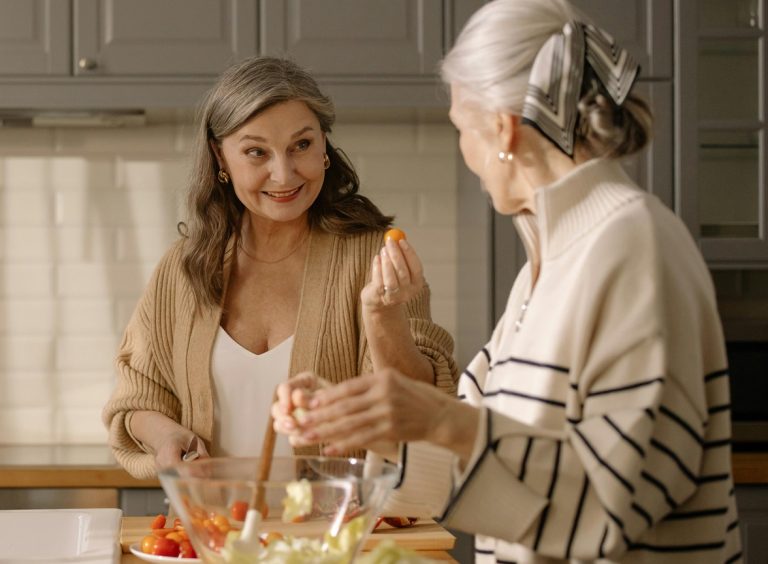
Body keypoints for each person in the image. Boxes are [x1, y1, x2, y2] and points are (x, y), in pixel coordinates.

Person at [272, 1, 743, 562]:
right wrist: (363, 418)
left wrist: (443, 419)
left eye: (461, 129)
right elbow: (472, 463)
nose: (465, 152)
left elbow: (619, 503)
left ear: (502, 130)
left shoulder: (633, 244)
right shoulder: (543, 268)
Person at [102, 56, 458, 480]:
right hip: (213, 535)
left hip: (335, 537)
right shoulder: (183, 269)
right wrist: (165, 438)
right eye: (257, 152)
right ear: (220, 157)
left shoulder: (374, 258)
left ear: (324, 145)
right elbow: (138, 398)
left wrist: (385, 317)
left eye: (301, 145)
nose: (284, 173)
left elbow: (420, 405)